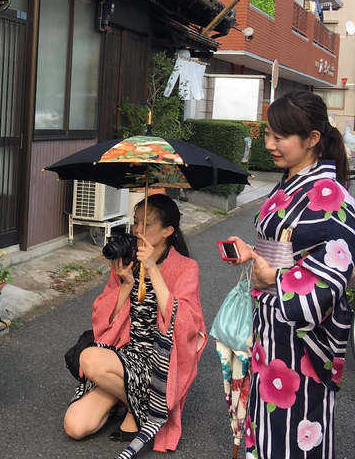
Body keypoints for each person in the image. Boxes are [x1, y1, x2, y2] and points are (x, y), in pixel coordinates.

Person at [227, 90, 355, 459]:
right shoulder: (293, 182)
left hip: (302, 338)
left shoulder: (333, 197)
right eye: (266, 134)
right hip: (271, 327)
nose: (269, 144)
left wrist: (275, 280)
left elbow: (333, 276)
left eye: (279, 137)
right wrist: (253, 253)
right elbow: (282, 246)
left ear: (312, 139)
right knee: (267, 421)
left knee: (297, 427)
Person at [64, 194, 206, 456]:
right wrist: (126, 284)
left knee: (91, 359)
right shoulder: (129, 259)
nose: (137, 230)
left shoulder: (186, 267)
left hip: (159, 363)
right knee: (75, 426)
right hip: (123, 356)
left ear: (168, 231)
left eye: (147, 224)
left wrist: (153, 270)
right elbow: (102, 319)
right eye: (136, 222)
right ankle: (136, 405)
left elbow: (185, 324)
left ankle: (135, 400)